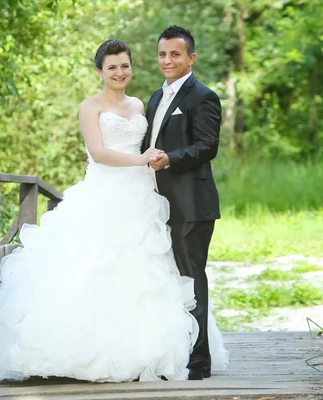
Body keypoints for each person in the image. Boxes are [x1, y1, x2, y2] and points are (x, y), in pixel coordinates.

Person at [0, 39, 227, 383]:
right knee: (92, 268)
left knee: (151, 271)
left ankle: (156, 354)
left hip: (142, 196)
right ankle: (79, 353)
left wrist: (151, 161)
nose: (120, 72)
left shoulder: (143, 103)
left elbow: (159, 142)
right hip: (103, 194)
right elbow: (98, 152)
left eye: (125, 65)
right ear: (99, 71)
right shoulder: (90, 107)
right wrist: (141, 159)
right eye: (112, 67)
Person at [143, 26, 226, 380]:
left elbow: (208, 146)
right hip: (157, 205)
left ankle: (199, 363)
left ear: (191, 58)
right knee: (166, 280)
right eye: (162, 54)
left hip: (191, 205)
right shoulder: (153, 98)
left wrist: (171, 159)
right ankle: (173, 353)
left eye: (175, 54)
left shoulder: (202, 96)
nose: (167, 61)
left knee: (192, 280)